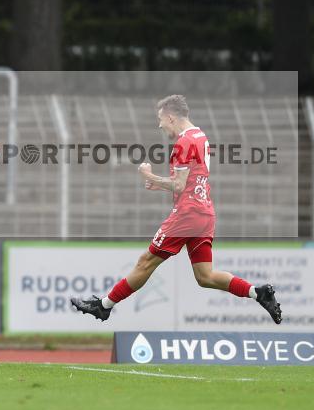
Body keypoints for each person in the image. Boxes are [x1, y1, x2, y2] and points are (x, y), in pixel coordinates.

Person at [70, 94, 282, 324]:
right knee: (205, 276)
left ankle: (104, 306)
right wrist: (159, 184)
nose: (159, 125)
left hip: (187, 215)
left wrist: (148, 175)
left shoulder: (183, 142)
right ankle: (258, 293)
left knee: (146, 262)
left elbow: (179, 184)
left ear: (171, 117)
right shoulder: (200, 136)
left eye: (161, 119)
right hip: (204, 213)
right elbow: (189, 182)